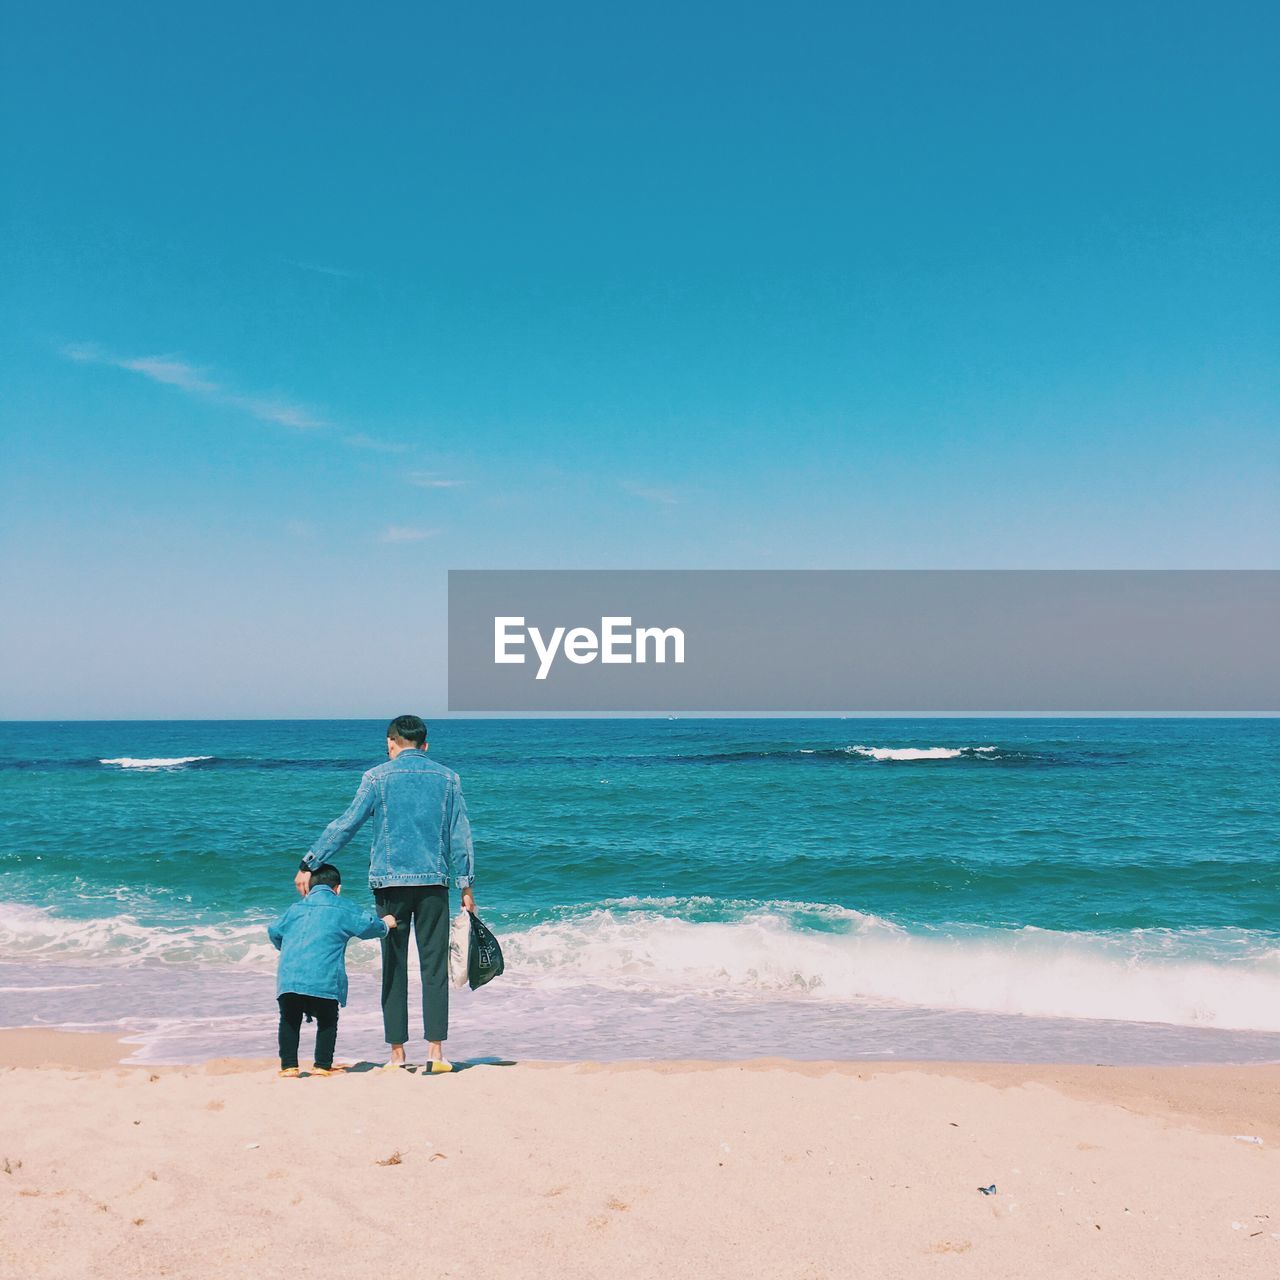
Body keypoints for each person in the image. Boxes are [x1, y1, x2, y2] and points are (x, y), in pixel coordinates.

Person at [295, 714, 476, 1072]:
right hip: (434, 886)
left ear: (390, 743)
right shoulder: (448, 778)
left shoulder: (376, 778)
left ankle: (397, 1056)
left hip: (390, 886)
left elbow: (347, 824)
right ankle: (436, 1054)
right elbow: (461, 836)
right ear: (425, 745)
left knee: (393, 968)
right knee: (434, 968)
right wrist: (466, 885)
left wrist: (311, 861)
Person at [267, 862, 395, 1077]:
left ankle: (289, 1066)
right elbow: (368, 926)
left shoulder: (295, 908)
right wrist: (386, 924)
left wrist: (287, 947)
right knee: (327, 1020)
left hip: (289, 978)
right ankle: (322, 1065)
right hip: (323, 979)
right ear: (338, 888)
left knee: (289, 1020)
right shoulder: (342, 907)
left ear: (310, 886)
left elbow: (274, 931)